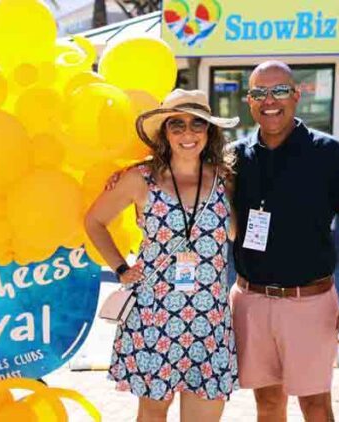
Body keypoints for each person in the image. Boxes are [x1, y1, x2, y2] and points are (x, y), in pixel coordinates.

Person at [85, 89, 240, 421]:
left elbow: (237, 233)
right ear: (164, 133)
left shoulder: (225, 180)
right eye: (177, 125)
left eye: (197, 124)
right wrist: (121, 268)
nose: (188, 134)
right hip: (154, 316)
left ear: (209, 131)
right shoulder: (140, 179)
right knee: (152, 415)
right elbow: (94, 221)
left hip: (209, 318)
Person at [228, 61, 339, 421]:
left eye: (278, 90)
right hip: (251, 301)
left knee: (316, 406)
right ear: (249, 100)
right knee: (268, 405)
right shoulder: (235, 158)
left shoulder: (328, 153)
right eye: (259, 92)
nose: (269, 100)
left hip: (308, 303)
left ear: (296, 95)